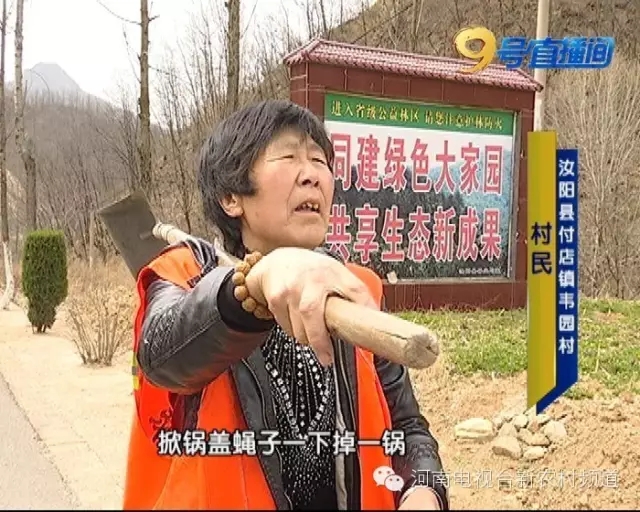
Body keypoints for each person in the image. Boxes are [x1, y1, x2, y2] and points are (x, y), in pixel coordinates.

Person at [122, 99, 449, 510]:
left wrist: (423, 491)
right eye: (290, 157)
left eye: (319, 160)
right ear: (231, 196)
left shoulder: (355, 291)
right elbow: (161, 357)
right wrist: (253, 285)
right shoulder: (184, 275)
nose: (313, 175)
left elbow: (408, 428)